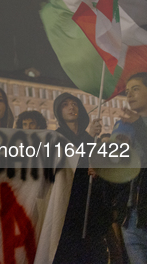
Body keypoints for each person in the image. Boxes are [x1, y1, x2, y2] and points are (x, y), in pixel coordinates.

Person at [52, 92, 109, 263]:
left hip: (91, 210)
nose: (71, 107)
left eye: (74, 103)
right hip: (68, 212)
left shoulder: (93, 138)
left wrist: (100, 172)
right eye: (65, 105)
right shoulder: (56, 138)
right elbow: (68, 163)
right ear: (58, 112)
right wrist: (89, 138)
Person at [114, 72, 147, 263]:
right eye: (127, 91)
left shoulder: (135, 124)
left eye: (136, 89)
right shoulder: (123, 126)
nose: (130, 95)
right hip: (131, 219)